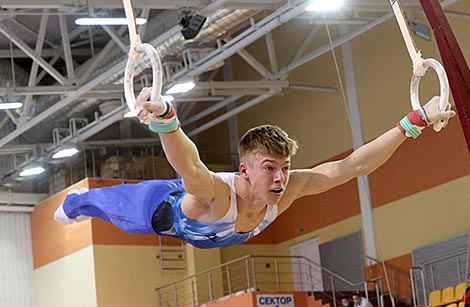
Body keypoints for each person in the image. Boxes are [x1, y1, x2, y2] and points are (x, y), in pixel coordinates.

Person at [54, 88, 456, 249]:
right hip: (158, 209)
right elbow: (188, 163)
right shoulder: (215, 194)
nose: (280, 178)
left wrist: (416, 120)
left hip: (209, 232)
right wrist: (166, 118)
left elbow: (352, 166)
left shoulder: (291, 187)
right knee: (102, 205)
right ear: (244, 170)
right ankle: (74, 204)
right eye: (269, 168)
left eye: (284, 167)